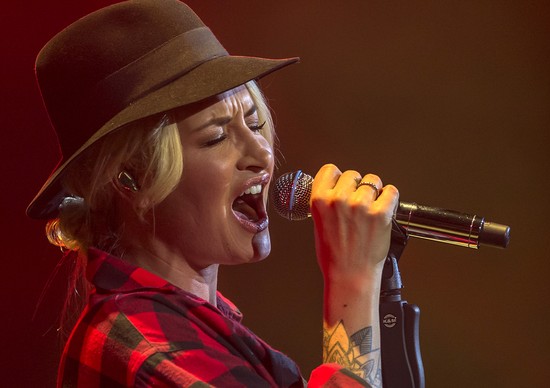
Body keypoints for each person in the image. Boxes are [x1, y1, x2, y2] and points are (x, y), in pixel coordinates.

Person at [28, 0, 399, 387]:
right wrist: (351, 284)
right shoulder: (151, 349)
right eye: (217, 137)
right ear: (130, 177)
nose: (262, 153)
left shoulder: (199, 330)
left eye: (254, 124)